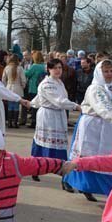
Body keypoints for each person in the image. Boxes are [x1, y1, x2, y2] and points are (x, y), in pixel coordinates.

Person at [65, 60, 112, 201]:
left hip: (108, 127)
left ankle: (104, 188)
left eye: (111, 71)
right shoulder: (95, 88)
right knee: (90, 154)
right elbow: (101, 104)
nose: (109, 74)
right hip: (94, 125)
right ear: (99, 72)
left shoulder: (111, 88)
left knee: (107, 155)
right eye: (106, 71)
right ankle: (83, 184)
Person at [30, 58, 80, 189]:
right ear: (48, 69)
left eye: (60, 68)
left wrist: (32, 102)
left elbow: (45, 99)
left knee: (59, 144)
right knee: (44, 144)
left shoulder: (59, 82)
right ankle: (60, 175)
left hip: (58, 115)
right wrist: (75, 106)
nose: (58, 70)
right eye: (55, 68)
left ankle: (60, 174)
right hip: (48, 116)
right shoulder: (47, 84)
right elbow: (58, 101)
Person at [2, 55, 26, 129]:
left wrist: (5, 87)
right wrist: (23, 86)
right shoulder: (20, 68)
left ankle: (9, 122)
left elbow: (3, 80)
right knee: (16, 106)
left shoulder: (7, 68)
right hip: (18, 88)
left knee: (10, 106)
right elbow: (23, 80)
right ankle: (15, 122)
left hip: (9, 87)